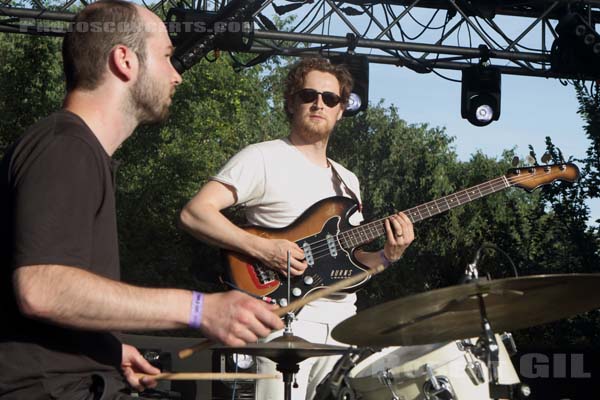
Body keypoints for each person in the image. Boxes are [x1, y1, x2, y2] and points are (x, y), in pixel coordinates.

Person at [0, 1, 283, 399]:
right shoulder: (66, 148)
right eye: (167, 57)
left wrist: (108, 348)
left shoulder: (74, 150)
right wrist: (199, 308)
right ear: (124, 61)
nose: (176, 76)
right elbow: (41, 288)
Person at [179, 57, 415, 400]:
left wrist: (388, 255)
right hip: (284, 321)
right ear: (292, 102)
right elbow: (195, 213)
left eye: (330, 99)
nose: (319, 103)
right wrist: (262, 249)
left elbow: (350, 260)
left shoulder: (348, 181)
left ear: (340, 110)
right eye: (309, 95)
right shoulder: (262, 158)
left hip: (342, 324)